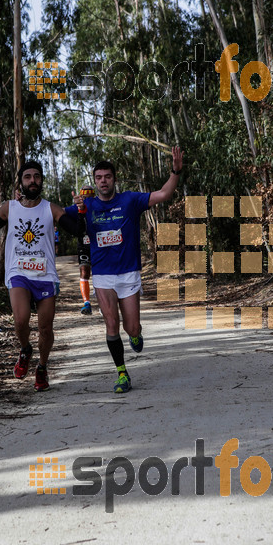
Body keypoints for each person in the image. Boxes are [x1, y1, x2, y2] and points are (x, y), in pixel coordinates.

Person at [67, 146, 184, 394]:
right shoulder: (85, 206)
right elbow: (55, 216)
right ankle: (122, 373)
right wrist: (23, 203)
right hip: (102, 275)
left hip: (129, 273)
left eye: (107, 177)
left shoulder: (130, 200)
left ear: (114, 179)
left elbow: (164, 194)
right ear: (94, 181)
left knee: (131, 328)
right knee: (111, 323)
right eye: (98, 177)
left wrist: (175, 171)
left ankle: (135, 334)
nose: (103, 181)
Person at [0, 160, 79, 392]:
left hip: (45, 275)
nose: (32, 181)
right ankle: (26, 349)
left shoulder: (52, 208)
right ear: (21, 181)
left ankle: (42, 366)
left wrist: (82, 209)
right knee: (20, 320)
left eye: (36, 177)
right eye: (27, 177)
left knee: (46, 328)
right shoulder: (9, 207)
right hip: (19, 272)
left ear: (41, 181)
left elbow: (77, 230)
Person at [78, 185, 95, 315]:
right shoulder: (76, 208)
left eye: (89, 198)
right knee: (84, 272)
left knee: (101, 273)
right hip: (83, 244)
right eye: (84, 198)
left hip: (99, 244)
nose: (86, 200)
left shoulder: (99, 206)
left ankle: (105, 302)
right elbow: (60, 212)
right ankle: (86, 303)